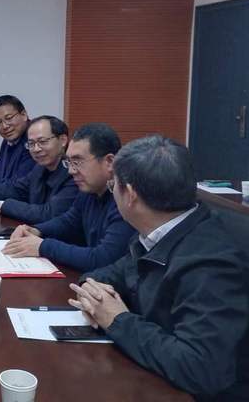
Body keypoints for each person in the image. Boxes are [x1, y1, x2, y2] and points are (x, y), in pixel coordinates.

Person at [69, 135, 249, 400]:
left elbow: (200, 368)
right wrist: (92, 291)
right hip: (150, 372)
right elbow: (110, 273)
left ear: (130, 195)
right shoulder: (157, 231)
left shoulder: (212, 264)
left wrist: (117, 320)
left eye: (113, 185)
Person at [3, 123, 135, 272]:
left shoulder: (127, 199)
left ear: (109, 162)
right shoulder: (89, 189)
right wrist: (36, 230)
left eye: (77, 162)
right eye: (69, 162)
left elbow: (102, 259)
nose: (71, 170)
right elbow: (69, 221)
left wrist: (43, 246)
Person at [0, 115, 77, 224]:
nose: (36, 149)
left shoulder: (74, 173)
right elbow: (15, 189)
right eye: (31, 144)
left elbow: (48, 214)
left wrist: (4, 206)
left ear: (63, 140)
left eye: (42, 142)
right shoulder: (40, 168)